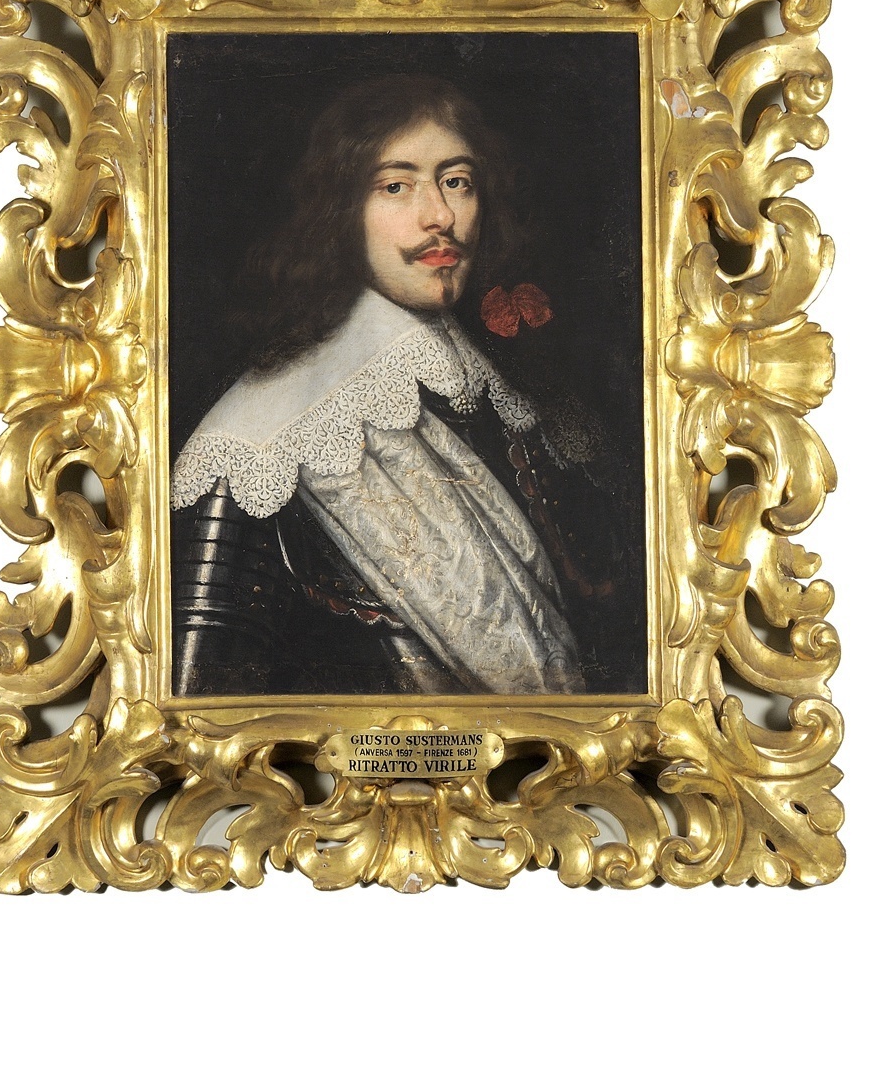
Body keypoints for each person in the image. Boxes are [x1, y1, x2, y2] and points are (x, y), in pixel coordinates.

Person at [170, 74, 600, 696]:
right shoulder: (253, 447)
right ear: (341, 210)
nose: (441, 216)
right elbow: (198, 722)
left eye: (457, 182)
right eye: (396, 187)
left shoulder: (508, 403)